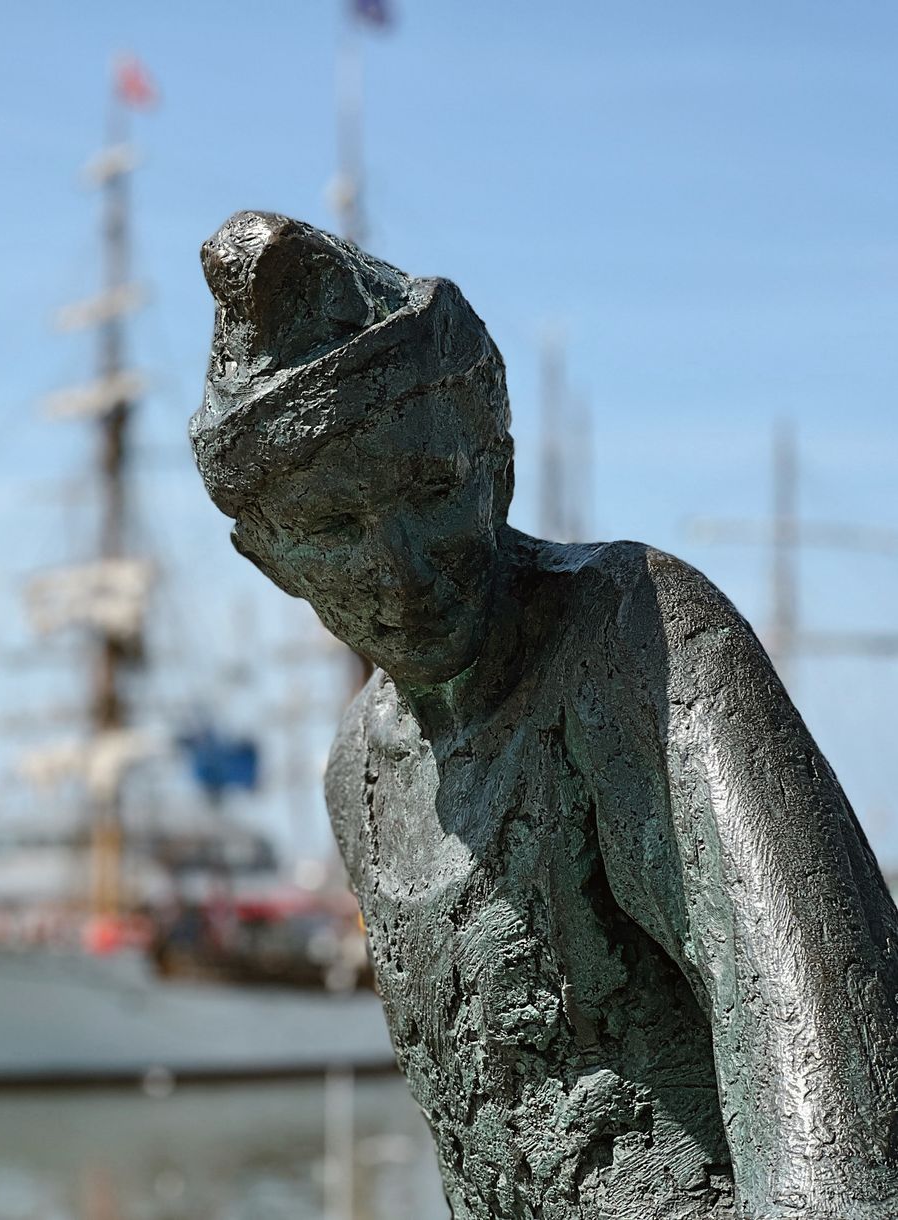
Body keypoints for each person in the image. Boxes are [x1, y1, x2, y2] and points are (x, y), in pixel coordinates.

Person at [191, 211, 898, 1219]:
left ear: (499, 459)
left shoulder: (637, 639)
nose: (404, 572)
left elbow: (834, 1112)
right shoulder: (361, 770)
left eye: (432, 488)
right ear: (267, 559)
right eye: (334, 528)